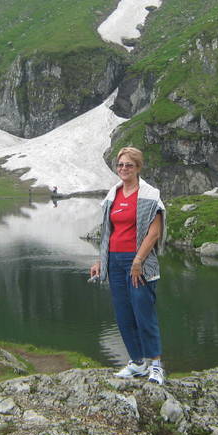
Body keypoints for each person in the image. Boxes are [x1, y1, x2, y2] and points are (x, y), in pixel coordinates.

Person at [89, 147, 167, 385]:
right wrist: (101, 260)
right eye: (120, 165)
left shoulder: (149, 195)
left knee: (143, 313)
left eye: (129, 165)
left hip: (138, 262)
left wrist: (138, 261)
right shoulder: (114, 194)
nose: (123, 169)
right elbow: (108, 232)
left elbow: (154, 232)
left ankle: (156, 365)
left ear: (138, 168)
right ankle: (137, 362)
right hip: (115, 261)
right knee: (123, 314)